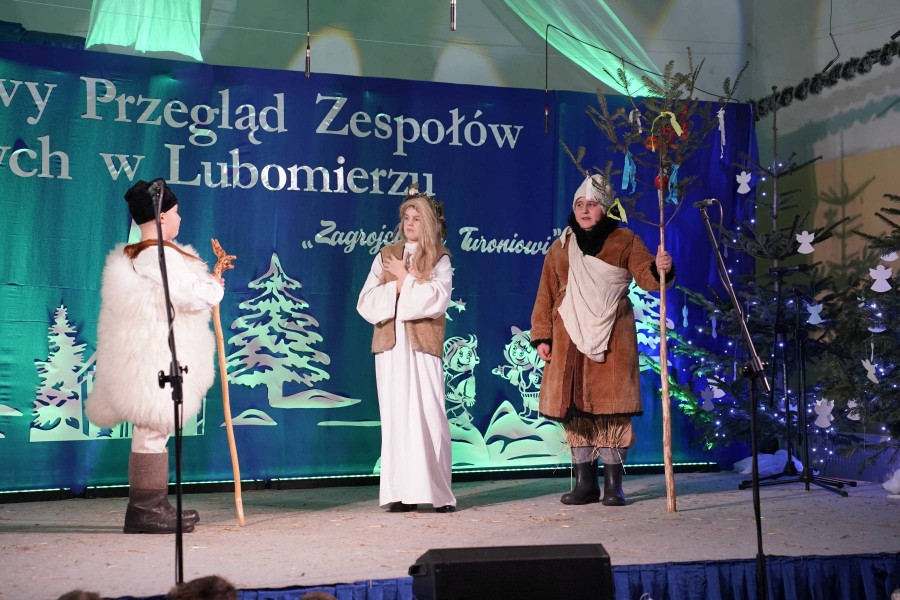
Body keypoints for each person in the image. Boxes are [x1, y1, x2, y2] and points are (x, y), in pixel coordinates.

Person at [86, 179, 224, 533]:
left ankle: (152, 505)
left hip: (150, 350)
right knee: (152, 428)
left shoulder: (138, 254)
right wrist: (213, 287)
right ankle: (145, 509)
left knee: (154, 429)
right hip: (158, 352)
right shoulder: (159, 254)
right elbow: (188, 296)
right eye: (175, 212)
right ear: (161, 216)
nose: (180, 218)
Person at [530, 174, 674, 506]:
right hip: (568, 337)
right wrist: (542, 336)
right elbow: (545, 294)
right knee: (576, 411)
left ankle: (613, 486)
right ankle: (585, 484)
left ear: (605, 208)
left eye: (592, 204)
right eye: (579, 204)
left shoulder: (624, 240)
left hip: (612, 334)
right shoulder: (561, 246)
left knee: (611, 411)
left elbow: (647, 277)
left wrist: (660, 268)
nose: (584, 210)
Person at [357, 184, 456, 513]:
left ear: (428, 222)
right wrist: (398, 286)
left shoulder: (439, 257)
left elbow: (436, 299)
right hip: (391, 347)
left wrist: (404, 279)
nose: (410, 223)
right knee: (396, 417)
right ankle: (400, 493)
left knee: (428, 415)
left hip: (422, 347)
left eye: (417, 218)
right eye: (406, 218)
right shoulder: (386, 255)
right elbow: (366, 302)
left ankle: (437, 494)